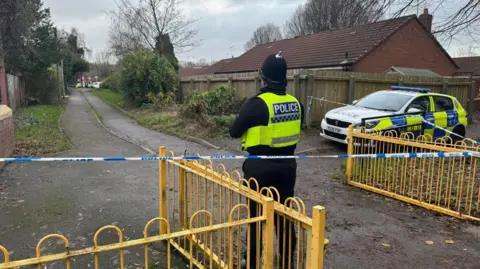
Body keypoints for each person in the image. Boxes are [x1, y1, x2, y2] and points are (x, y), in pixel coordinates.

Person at [229, 52, 304, 269]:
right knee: (284, 215)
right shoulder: (296, 103)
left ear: (263, 78)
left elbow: (234, 130)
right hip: (287, 167)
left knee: (257, 218)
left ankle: (252, 262)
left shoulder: (256, 103)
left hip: (259, 168)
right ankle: (287, 262)